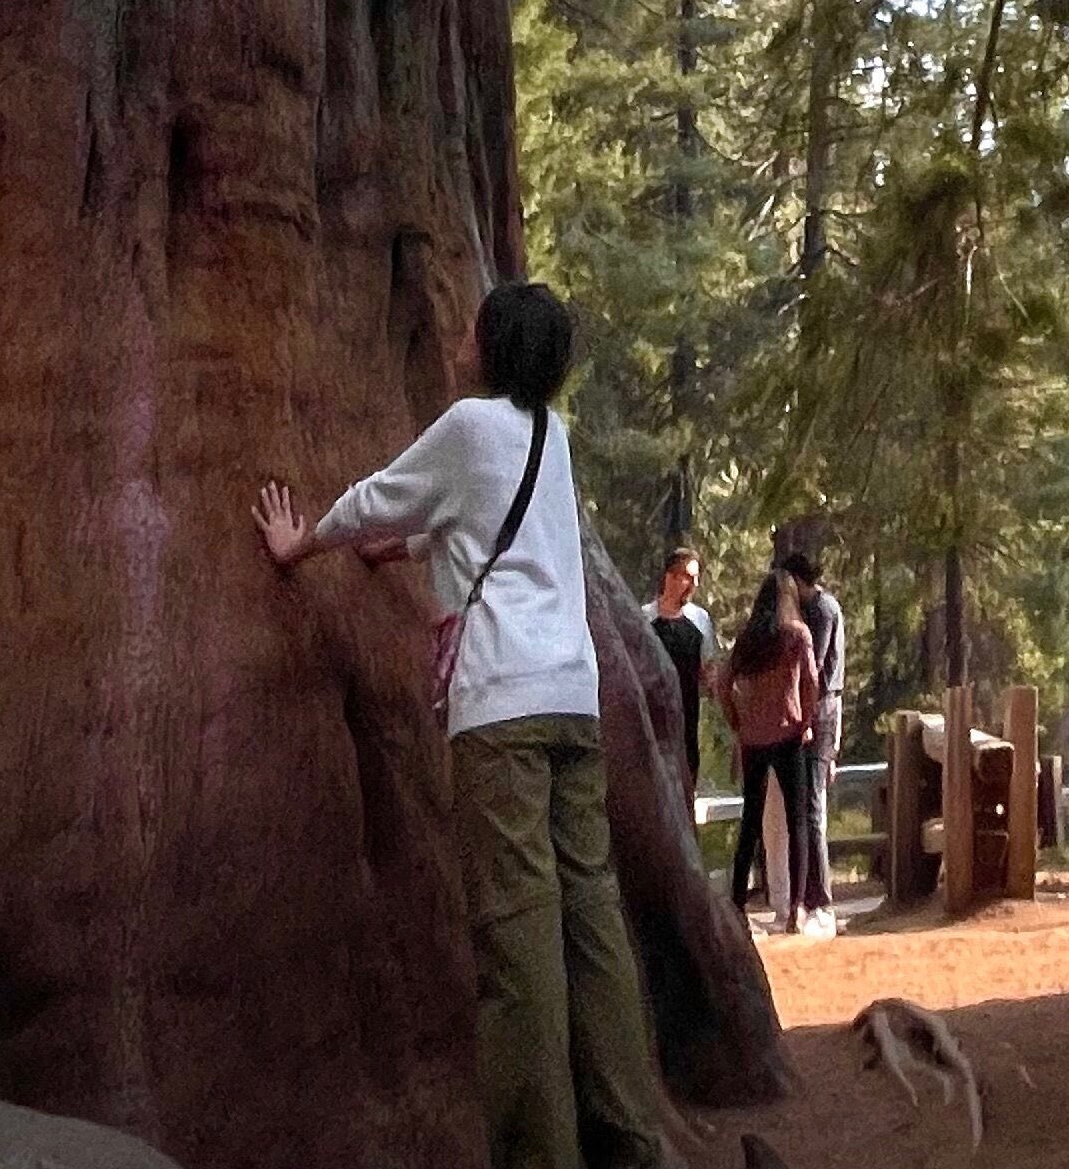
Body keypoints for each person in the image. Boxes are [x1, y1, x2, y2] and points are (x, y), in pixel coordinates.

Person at [254, 279, 666, 1169]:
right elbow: (511, 536)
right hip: (571, 706)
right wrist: (409, 548)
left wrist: (305, 542)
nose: (459, 338)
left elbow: (380, 494)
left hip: (504, 715)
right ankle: (634, 1145)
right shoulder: (550, 439)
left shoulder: (470, 427)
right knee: (593, 931)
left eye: (474, 328)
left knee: (518, 945)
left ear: (495, 345)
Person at [719, 568, 819, 937]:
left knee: (749, 822)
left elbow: (721, 684)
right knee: (798, 821)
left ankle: (736, 905)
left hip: (753, 740)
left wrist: (737, 722)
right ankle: (796, 909)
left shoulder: (747, 640)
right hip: (789, 736)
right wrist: (806, 721)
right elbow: (811, 682)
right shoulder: (796, 635)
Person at [779, 547, 844, 935]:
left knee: (812, 808)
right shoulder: (826, 607)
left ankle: (820, 897)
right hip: (823, 710)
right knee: (808, 806)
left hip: (816, 711)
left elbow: (813, 668)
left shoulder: (819, 611)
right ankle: (811, 895)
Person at [646, 546, 715, 798]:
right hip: (653, 711)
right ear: (670, 577)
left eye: (696, 578)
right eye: (687, 576)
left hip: (687, 712)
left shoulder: (700, 620)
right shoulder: (645, 619)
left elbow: (709, 667)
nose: (693, 584)